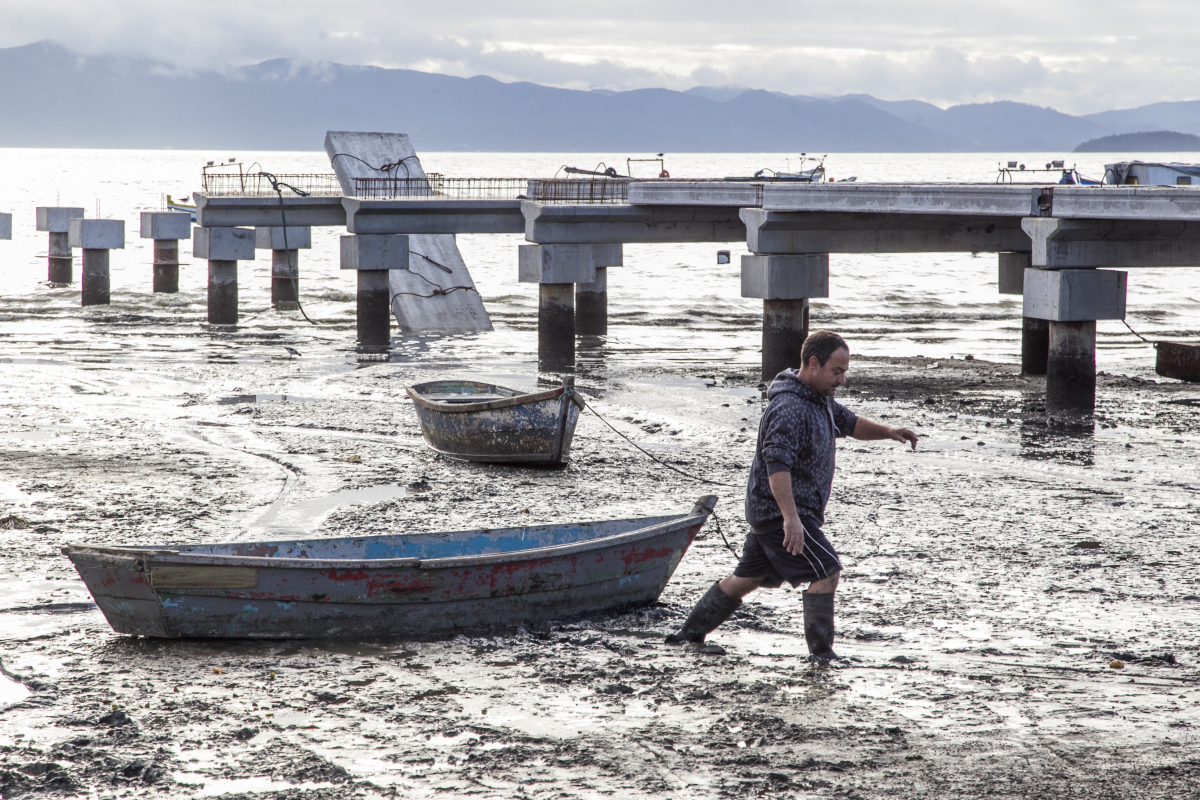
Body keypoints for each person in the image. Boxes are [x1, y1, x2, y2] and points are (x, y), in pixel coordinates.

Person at [666, 330, 918, 659]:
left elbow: (851, 423)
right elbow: (777, 466)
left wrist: (889, 432)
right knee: (826, 571)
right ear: (814, 364)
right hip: (778, 514)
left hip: (778, 514)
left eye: (844, 372)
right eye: (836, 371)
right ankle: (822, 655)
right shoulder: (789, 408)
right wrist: (791, 520)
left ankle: (687, 635)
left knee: (748, 577)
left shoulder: (819, 398)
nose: (841, 380)